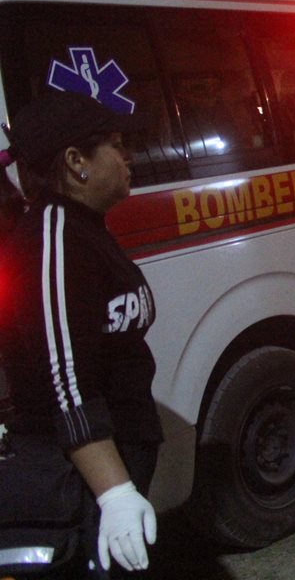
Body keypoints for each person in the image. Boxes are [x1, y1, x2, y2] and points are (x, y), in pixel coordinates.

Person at [0, 91, 160, 576]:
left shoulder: (86, 227)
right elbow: (65, 380)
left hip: (113, 464)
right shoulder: (52, 236)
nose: (126, 155)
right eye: (113, 144)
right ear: (76, 162)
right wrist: (114, 493)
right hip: (80, 481)